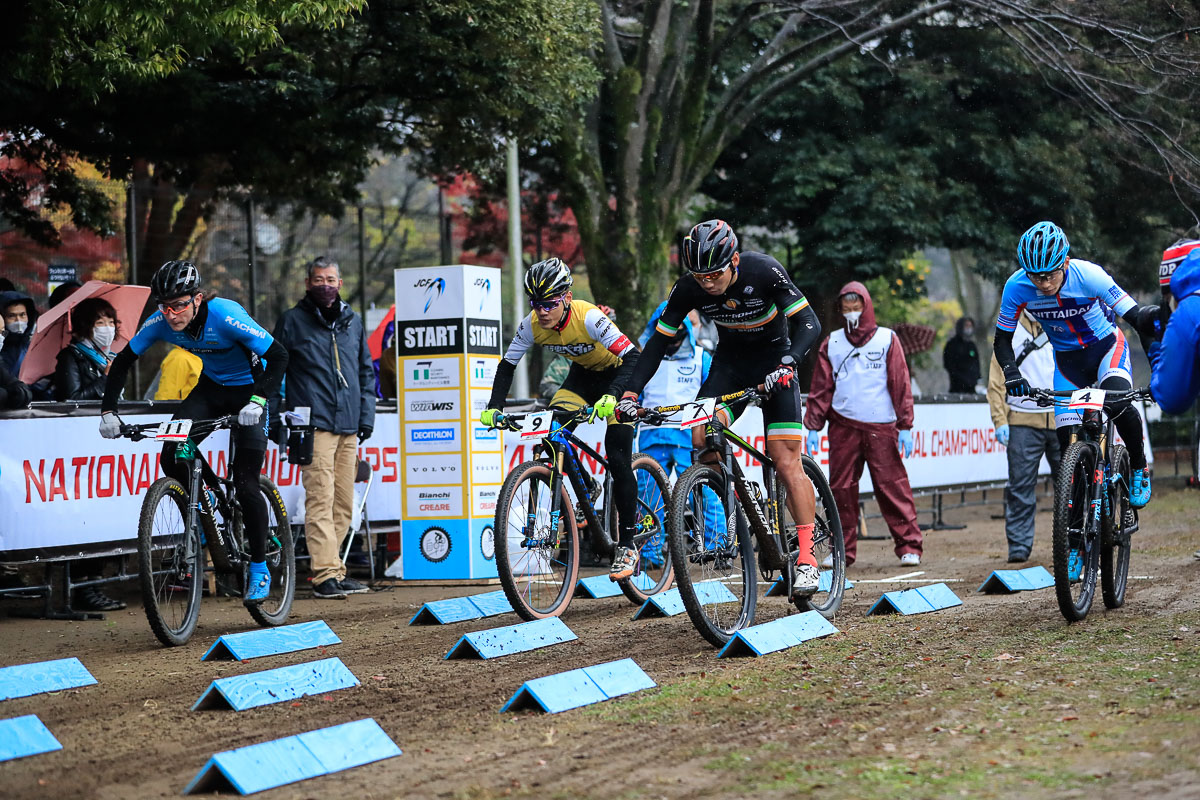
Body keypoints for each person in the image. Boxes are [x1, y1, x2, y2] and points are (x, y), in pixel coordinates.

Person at [618, 219, 825, 594]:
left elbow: (809, 322)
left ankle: (808, 558)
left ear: (733, 262)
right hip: (730, 366)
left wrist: (790, 362)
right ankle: (743, 498)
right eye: (700, 276)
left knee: (784, 458)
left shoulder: (764, 271)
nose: (707, 283)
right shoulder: (687, 288)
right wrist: (631, 392)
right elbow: (656, 345)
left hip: (776, 363)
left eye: (714, 274)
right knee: (701, 435)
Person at [98, 260, 288, 604]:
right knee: (171, 453)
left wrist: (259, 400)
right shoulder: (160, 322)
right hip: (210, 390)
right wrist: (108, 410)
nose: (172, 315)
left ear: (198, 299)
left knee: (246, 484)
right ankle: (209, 493)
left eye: (180, 305)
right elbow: (123, 361)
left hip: (249, 392)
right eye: (165, 306)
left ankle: (259, 567)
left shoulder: (225, 315)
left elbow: (278, 356)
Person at [480, 257, 644, 580]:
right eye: (536, 303)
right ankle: (589, 485)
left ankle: (627, 545)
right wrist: (494, 406)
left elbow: (634, 357)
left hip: (619, 377)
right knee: (552, 432)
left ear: (566, 298)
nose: (542, 311)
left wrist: (614, 395)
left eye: (550, 303)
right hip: (582, 378)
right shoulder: (531, 325)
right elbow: (507, 365)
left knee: (618, 455)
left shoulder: (590, 317)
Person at [993, 222, 1160, 535]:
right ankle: (1073, 542)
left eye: (1050, 274)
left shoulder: (1089, 276)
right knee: (1068, 451)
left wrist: (1159, 365)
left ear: (1065, 262)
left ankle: (1138, 465)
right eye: (1035, 275)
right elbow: (1001, 340)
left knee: (1117, 402)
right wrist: (1012, 374)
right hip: (1068, 364)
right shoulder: (1016, 286)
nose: (1042, 283)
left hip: (1106, 349)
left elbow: (1136, 318)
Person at [273, 256, 376, 600]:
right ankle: (324, 575)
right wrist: (274, 417)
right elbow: (274, 373)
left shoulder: (353, 321)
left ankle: (334, 567)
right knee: (320, 498)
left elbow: (365, 371)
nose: (325, 285)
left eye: (331, 279)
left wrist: (366, 416)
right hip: (312, 424)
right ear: (307, 284)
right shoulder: (291, 321)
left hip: (349, 424)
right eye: (318, 280)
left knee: (345, 504)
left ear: (340, 283)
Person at [804, 281, 924, 568]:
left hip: (881, 425)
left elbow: (900, 383)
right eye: (846, 306)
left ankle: (910, 546)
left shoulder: (887, 339)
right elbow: (821, 388)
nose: (851, 311)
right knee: (841, 489)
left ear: (866, 306)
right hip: (843, 424)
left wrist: (905, 424)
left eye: (856, 305)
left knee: (891, 486)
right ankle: (842, 549)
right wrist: (812, 425)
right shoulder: (832, 342)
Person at [51, 297, 127, 610]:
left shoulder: (109, 357)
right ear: (85, 326)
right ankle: (81, 589)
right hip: (77, 449)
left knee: (104, 515)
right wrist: (105, 381)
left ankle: (95, 584)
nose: (107, 329)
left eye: (111, 322)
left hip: (104, 447)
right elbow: (70, 399)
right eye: (100, 323)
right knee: (81, 516)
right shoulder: (70, 357)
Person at [635, 301, 713, 565]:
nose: (672, 331)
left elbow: (714, 395)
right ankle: (649, 554)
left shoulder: (701, 357)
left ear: (686, 328)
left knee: (703, 492)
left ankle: (717, 546)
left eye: (678, 325)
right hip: (651, 436)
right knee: (647, 498)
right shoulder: (644, 357)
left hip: (688, 437)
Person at [987, 310, 1060, 563]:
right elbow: (996, 381)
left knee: (1073, 486)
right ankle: (1019, 545)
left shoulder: (1061, 321)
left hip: (1063, 417)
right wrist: (999, 420)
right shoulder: (1008, 329)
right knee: (1020, 487)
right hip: (1021, 420)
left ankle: (1077, 541)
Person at [0, 289, 39, 377]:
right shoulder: (0, 345)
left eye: (22, 315)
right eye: (11, 316)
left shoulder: (33, 347)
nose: (18, 321)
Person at [943, 316, 981, 393]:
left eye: (970, 326)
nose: (969, 328)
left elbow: (976, 363)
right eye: (966, 326)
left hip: (971, 387)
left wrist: (976, 377)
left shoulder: (971, 345)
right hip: (957, 386)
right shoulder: (951, 345)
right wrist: (960, 377)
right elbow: (948, 364)